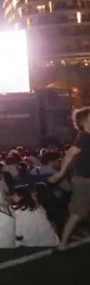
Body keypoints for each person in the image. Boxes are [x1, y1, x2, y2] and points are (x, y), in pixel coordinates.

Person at [49, 106, 90, 249]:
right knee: (77, 213)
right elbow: (70, 154)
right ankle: (63, 243)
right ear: (84, 121)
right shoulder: (84, 137)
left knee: (79, 213)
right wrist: (60, 173)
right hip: (84, 181)